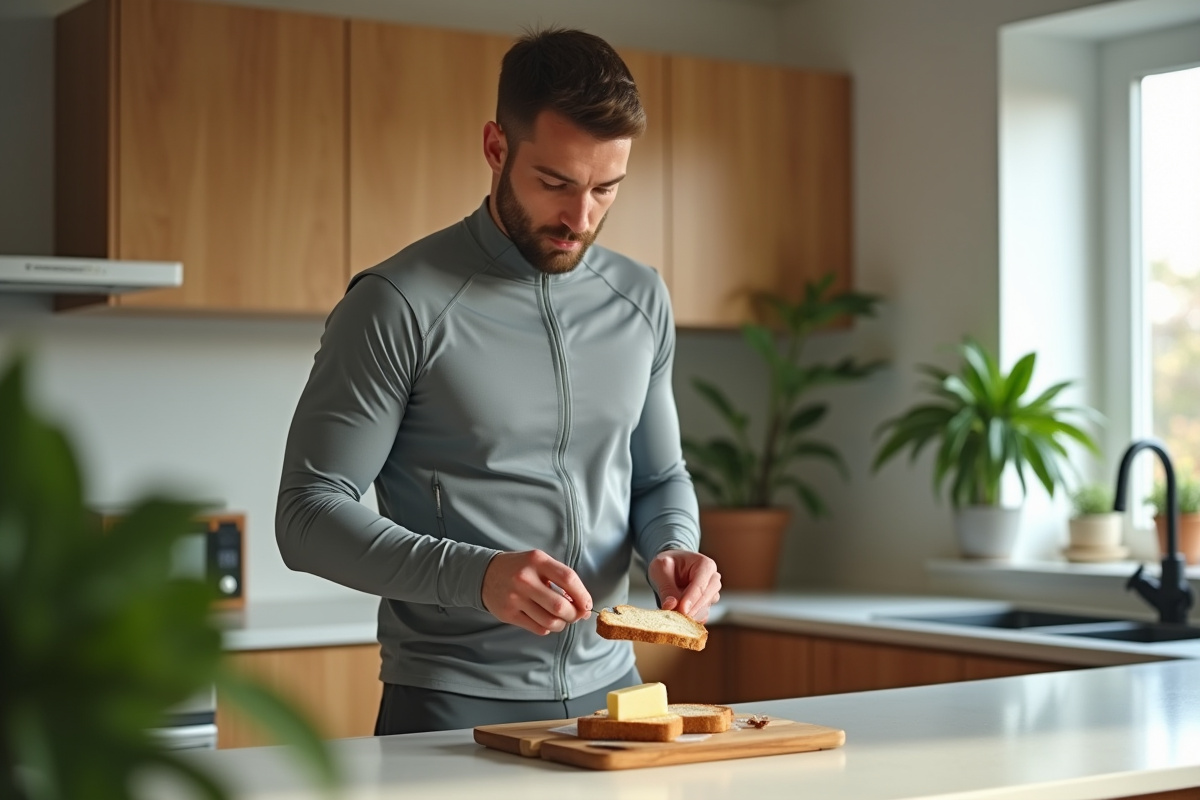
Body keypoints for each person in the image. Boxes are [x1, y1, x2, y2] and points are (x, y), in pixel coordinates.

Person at [276, 27, 721, 736]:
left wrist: (673, 548)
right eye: (555, 184)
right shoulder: (399, 303)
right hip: (450, 708)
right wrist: (475, 576)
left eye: (607, 189)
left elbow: (658, 475)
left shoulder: (641, 298)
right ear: (495, 148)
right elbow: (306, 516)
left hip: (617, 699)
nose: (581, 219)